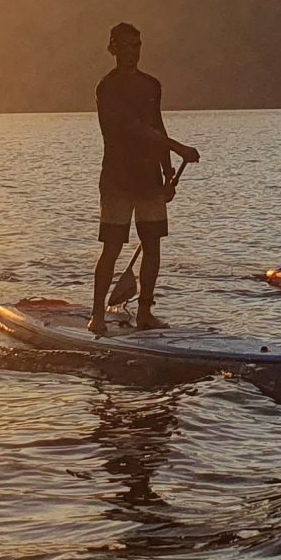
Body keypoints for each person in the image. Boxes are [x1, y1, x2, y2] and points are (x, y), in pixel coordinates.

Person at [94, 22, 200, 334]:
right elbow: (132, 126)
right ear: (113, 49)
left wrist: (167, 171)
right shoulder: (107, 87)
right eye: (125, 47)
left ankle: (144, 313)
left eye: (136, 47)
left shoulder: (152, 85)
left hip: (149, 177)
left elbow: (156, 125)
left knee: (152, 245)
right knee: (112, 247)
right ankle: (97, 315)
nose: (132, 53)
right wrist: (177, 147)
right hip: (117, 178)